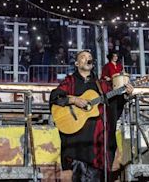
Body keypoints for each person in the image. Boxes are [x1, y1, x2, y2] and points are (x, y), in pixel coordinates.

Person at [50, 50, 133, 181]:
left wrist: (126, 94)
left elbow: (114, 104)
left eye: (89, 57)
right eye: (83, 57)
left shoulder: (101, 85)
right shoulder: (70, 81)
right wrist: (74, 100)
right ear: (77, 63)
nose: (87, 59)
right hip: (78, 145)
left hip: (98, 146)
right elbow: (55, 97)